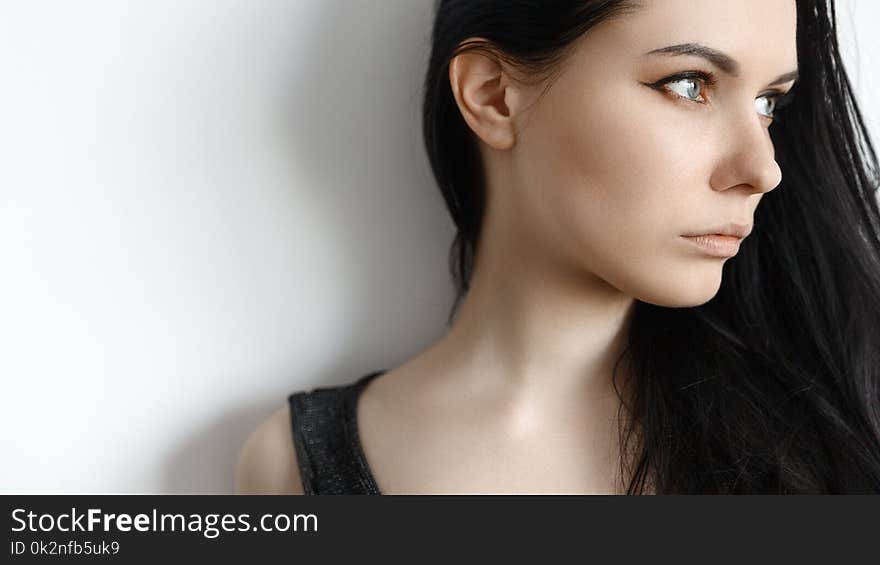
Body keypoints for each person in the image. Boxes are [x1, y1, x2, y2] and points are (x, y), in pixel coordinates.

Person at [235, 0, 880, 494]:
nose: (764, 168)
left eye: (770, 102)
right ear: (493, 96)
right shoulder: (293, 469)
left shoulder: (838, 420)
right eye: (689, 84)